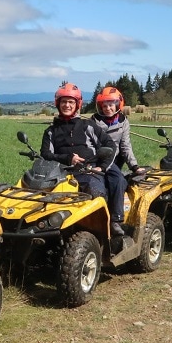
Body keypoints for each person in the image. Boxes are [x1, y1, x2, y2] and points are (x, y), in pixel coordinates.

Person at [40, 82, 122, 236]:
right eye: (64, 101)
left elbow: (110, 145)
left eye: (71, 102)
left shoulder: (87, 126)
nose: (67, 105)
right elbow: (45, 154)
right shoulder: (51, 131)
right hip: (59, 175)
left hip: (88, 172)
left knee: (95, 190)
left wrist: (102, 167)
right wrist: (67, 158)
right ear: (58, 104)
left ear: (77, 104)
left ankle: (106, 229)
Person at [91, 87, 145, 226]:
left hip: (114, 159)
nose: (107, 108)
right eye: (104, 105)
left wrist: (134, 166)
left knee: (118, 181)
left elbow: (126, 146)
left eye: (110, 105)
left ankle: (117, 219)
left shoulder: (123, 121)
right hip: (97, 158)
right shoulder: (94, 121)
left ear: (118, 104)